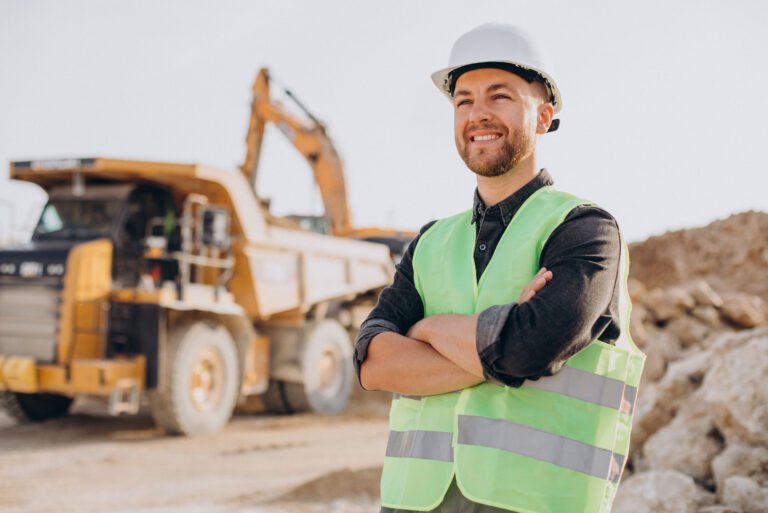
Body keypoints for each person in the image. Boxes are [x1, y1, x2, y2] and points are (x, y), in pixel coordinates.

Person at [354, 23, 645, 513]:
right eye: (464, 100)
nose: (478, 114)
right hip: (414, 501)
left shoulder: (586, 231)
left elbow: (528, 349)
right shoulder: (430, 242)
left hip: (535, 501)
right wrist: (496, 342)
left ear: (544, 116)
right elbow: (373, 363)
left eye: (500, 97)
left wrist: (425, 329)